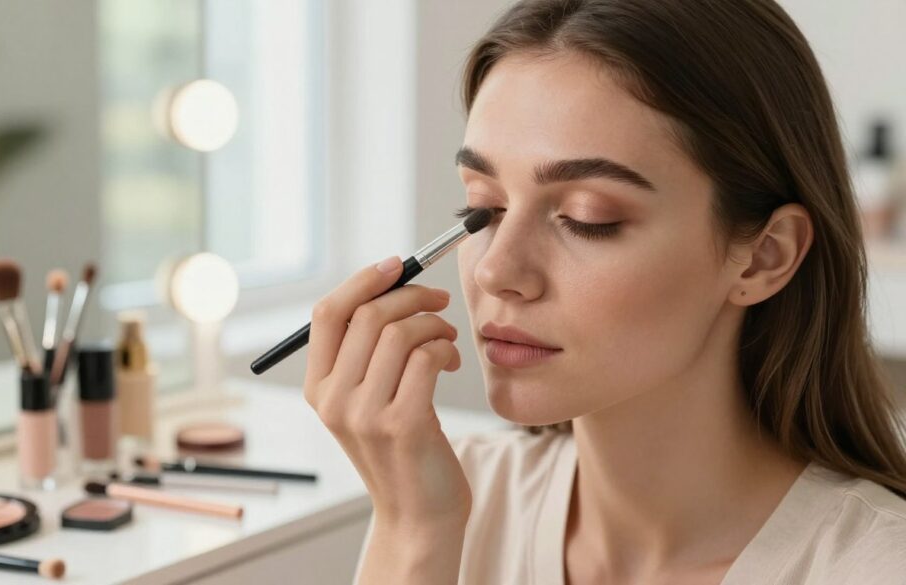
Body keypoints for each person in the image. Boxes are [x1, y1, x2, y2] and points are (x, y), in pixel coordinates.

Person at [303, 0, 906, 583]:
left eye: (588, 218)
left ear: (764, 257)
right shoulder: (452, 493)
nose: (495, 272)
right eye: (483, 208)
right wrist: (413, 533)